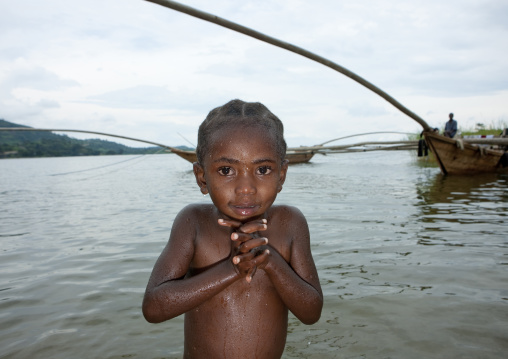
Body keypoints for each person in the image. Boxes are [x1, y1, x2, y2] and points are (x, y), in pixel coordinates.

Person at [142, 99, 323, 359]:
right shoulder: (193, 223)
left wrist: (271, 263)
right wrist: (233, 268)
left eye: (262, 169)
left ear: (281, 175)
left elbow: (311, 312)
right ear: (202, 178)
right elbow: (154, 308)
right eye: (226, 170)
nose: (246, 187)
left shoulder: (290, 223)